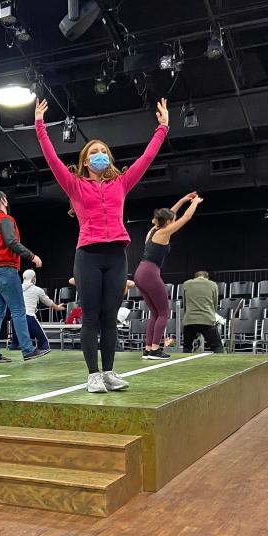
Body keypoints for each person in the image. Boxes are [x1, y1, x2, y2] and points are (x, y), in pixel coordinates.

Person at [35, 97, 168, 393]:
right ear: (85, 161)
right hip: (88, 256)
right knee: (91, 317)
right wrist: (40, 126)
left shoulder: (120, 183)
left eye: (104, 152)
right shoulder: (75, 185)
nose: (99, 156)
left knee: (110, 317)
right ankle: (93, 375)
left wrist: (162, 129)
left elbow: (145, 159)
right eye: (94, 152)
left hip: (116, 256)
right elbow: (52, 160)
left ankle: (108, 372)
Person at [0, 191, 48, 363]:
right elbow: (11, 241)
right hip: (5, 270)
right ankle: (27, 349)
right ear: (3, 201)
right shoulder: (5, 219)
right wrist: (32, 256)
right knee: (18, 310)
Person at [133, 193, 203, 359]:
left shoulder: (152, 230)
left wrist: (183, 200)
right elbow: (186, 217)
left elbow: (168, 213)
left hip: (140, 272)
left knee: (155, 313)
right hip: (150, 273)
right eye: (172, 219)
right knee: (164, 312)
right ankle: (156, 349)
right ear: (169, 222)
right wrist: (195, 202)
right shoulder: (164, 232)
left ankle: (149, 349)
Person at [9, 269, 65, 352]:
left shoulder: (16, 289)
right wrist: (57, 307)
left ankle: (14, 345)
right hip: (29, 317)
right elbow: (47, 301)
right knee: (44, 342)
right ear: (33, 278)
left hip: (15, 318)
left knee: (14, 344)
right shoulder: (37, 290)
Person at [181, 271, 225, 353]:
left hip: (190, 319)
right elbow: (214, 303)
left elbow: (185, 302)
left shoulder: (186, 284)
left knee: (187, 347)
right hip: (207, 319)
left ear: (195, 277)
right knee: (217, 347)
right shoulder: (212, 284)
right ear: (207, 277)